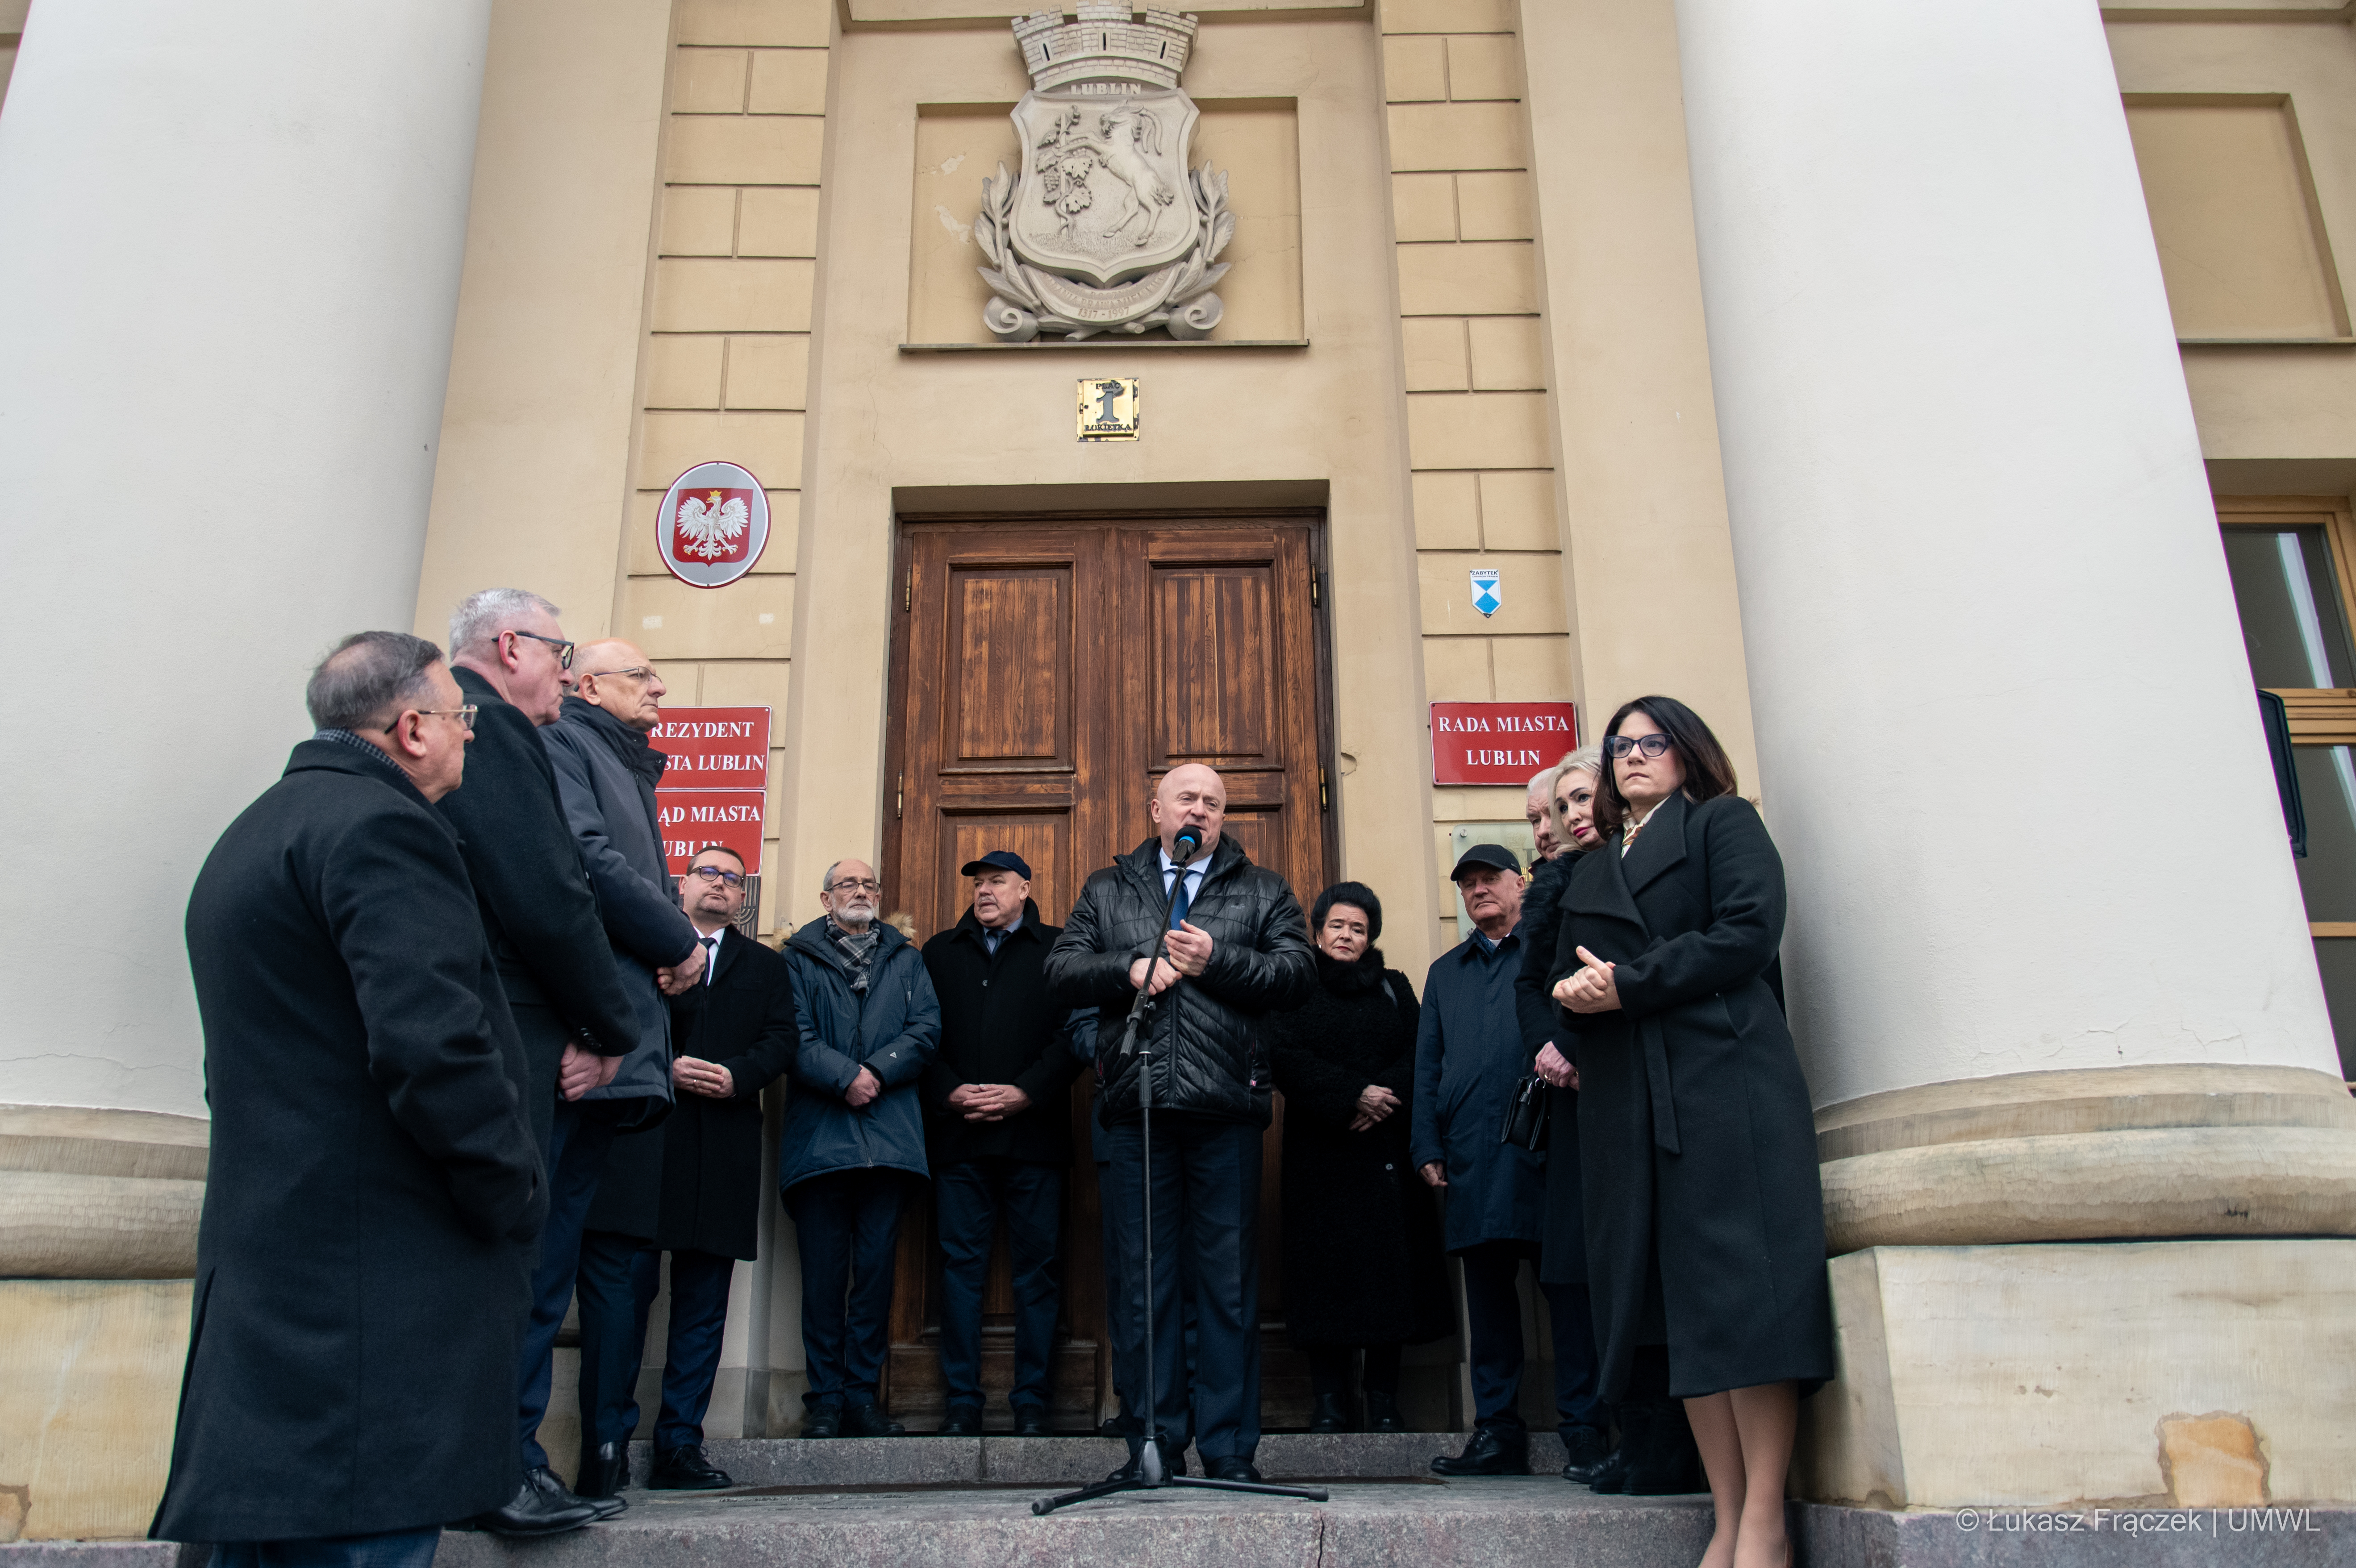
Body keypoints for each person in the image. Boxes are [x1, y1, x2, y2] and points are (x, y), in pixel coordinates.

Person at [153, 632, 573, 1562]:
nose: (472, 739)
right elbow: (434, 1045)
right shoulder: (386, 830)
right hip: (374, 1301)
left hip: (274, 1289)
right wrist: (512, 1192)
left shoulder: (256, 831)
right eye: (465, 722)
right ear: (414, 728)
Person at [1551, 696, 1833, 1568]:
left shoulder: (1722, 823)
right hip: (1630, 1101)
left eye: (1652, 742)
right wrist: (1572, 997)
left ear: (1687, 752)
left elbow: (1748, 933)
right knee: (1683, 1320)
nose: (1633, 756)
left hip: (1724, 1085)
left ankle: (1763, 1524)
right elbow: (1565, 971)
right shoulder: (1596, 860)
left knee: (1746, 1306)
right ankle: (1726, 1513)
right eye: (1620, 746)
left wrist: (1628, 983)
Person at [436, 591, 649, 1531]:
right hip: (529, 1042)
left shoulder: (537, 738)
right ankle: (498, 1465)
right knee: (516, 1264)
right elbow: (554, 889)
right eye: (561, 654)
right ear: (513, 645)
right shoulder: (507, 735)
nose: (564, 674)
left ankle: (512, 1457)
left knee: (538, 1261)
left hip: (544, 1037)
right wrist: (608, 1025)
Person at [1044, 763, 1316, 1486]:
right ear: (1155, 807)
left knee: (1226, 1288)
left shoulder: (1262, 889)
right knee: (1143, 1286)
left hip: (1225, 1111)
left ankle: (1228, 1451)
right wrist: (1129, 967)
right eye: (1187, 798)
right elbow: (1061, 970)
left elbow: (1297, 974)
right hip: (1135, 1111)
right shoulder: (1110, 889)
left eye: (1213, 802)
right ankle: (1150, 1446)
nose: (1200, 808)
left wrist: (1216, 958)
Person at [577, 844, 798, 1492]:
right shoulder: (637, 947)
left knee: (703, 1309)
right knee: (623, 1302)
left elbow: (783, 1038)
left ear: (742, 898)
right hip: (642, 1143)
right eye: (709, 873)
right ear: (682, 884)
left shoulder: (765, 966)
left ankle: (681, 1446)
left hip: (722, 1149)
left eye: (732, 879)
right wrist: (660, 1063)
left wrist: (738, 1077)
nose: (721, 886)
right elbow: (602, 1014)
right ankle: (606, 1444)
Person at [537, 641, 699, 1501]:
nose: (659, 686)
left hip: (619, 1046)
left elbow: (630, 876)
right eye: (641, 674)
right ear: (587, 685)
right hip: (579, 1045)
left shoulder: (628, 761)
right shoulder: (569, 742)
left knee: (573, 1253)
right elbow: (586, 862)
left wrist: (667, 946)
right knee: (544, 1261)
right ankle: (516, 1453)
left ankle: (580, 1453)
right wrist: (677, 941)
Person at [1414, 844, 1605, 1478]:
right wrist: (1426, 1145)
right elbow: (1427, 1066)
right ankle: (1497, 1434)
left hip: (1550, 1147)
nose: (1478, 892)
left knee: (1568, 1293)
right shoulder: (1445, 972)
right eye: (1467, 884)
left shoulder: (1548, 949)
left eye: (1489, 879)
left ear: (1519, 883)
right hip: (1471, 1155)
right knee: (1490, 1306)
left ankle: (1585, 1428)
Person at [1264, 881, 1449, 1434]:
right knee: (1324, 1279)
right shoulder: (1294, 984)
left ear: (1372, 938)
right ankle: (1329, 1402)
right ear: (1318, 931)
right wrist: (1350, 1095)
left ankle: (1384, 1399)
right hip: (1320, 1157)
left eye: (1360, 928)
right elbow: (1282, 1052)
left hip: (1386, 1154)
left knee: (1391, 1278)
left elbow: (1421, 1050)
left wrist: (1380, 1098)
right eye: (1338, 926)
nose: (1348, 936)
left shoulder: (1394, 987)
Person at [920, 850, 1085, 1436]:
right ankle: (962, 1402)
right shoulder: (940, 952)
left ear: (1025, 888)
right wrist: (951, 1092)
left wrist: (1025, 1093)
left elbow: (1075, 1036)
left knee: (1036, 1274)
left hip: (1034, 1139)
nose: (984, 891)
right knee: (959, 1271)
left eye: (996, 882)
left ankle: (1032, 1401)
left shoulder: (1059, 948)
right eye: (978, 883)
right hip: (958, 1139)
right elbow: (918, 1032)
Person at [779, 858, 941, 1438]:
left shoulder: (906, 958)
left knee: (874, 1278)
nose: (862, 892)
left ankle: (861, 1398)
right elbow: (789, 1034)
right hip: (820, 1144)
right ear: (826, 899)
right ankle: (824, 1400)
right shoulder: (796, 959)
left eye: (871, 883)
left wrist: (875, 1069)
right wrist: (844, 1075)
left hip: (890, 1142)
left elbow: (925, 1031)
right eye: (848, 884)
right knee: (823, 1279)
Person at [1511, 747, 1617, 1484]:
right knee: (1576, 1266)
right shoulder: (1553, 884)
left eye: (1560, 809)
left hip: (1623, 1076)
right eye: (1541, 817)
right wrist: (1553, 1047)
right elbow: (1537, 983)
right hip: (1572, 1091)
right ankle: (1590, 1426)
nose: (1550, 827)